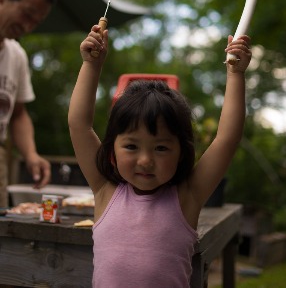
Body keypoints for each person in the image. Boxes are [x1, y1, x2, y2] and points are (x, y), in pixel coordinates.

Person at [68, 24, 252, 288]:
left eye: (161, 148)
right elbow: (79, 124)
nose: (145, 160)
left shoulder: (187, 196)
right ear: (112, 148)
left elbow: (227, 139)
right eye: (131, 146)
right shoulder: (105, 191)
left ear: (181, 153)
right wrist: (91, 65)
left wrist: (236, 74)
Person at [0, 0, 56, 207]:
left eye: (36, 22)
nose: (28, 27)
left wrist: (31, 154)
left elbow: (19, 114)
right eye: (27, 14)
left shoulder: (17, 56)